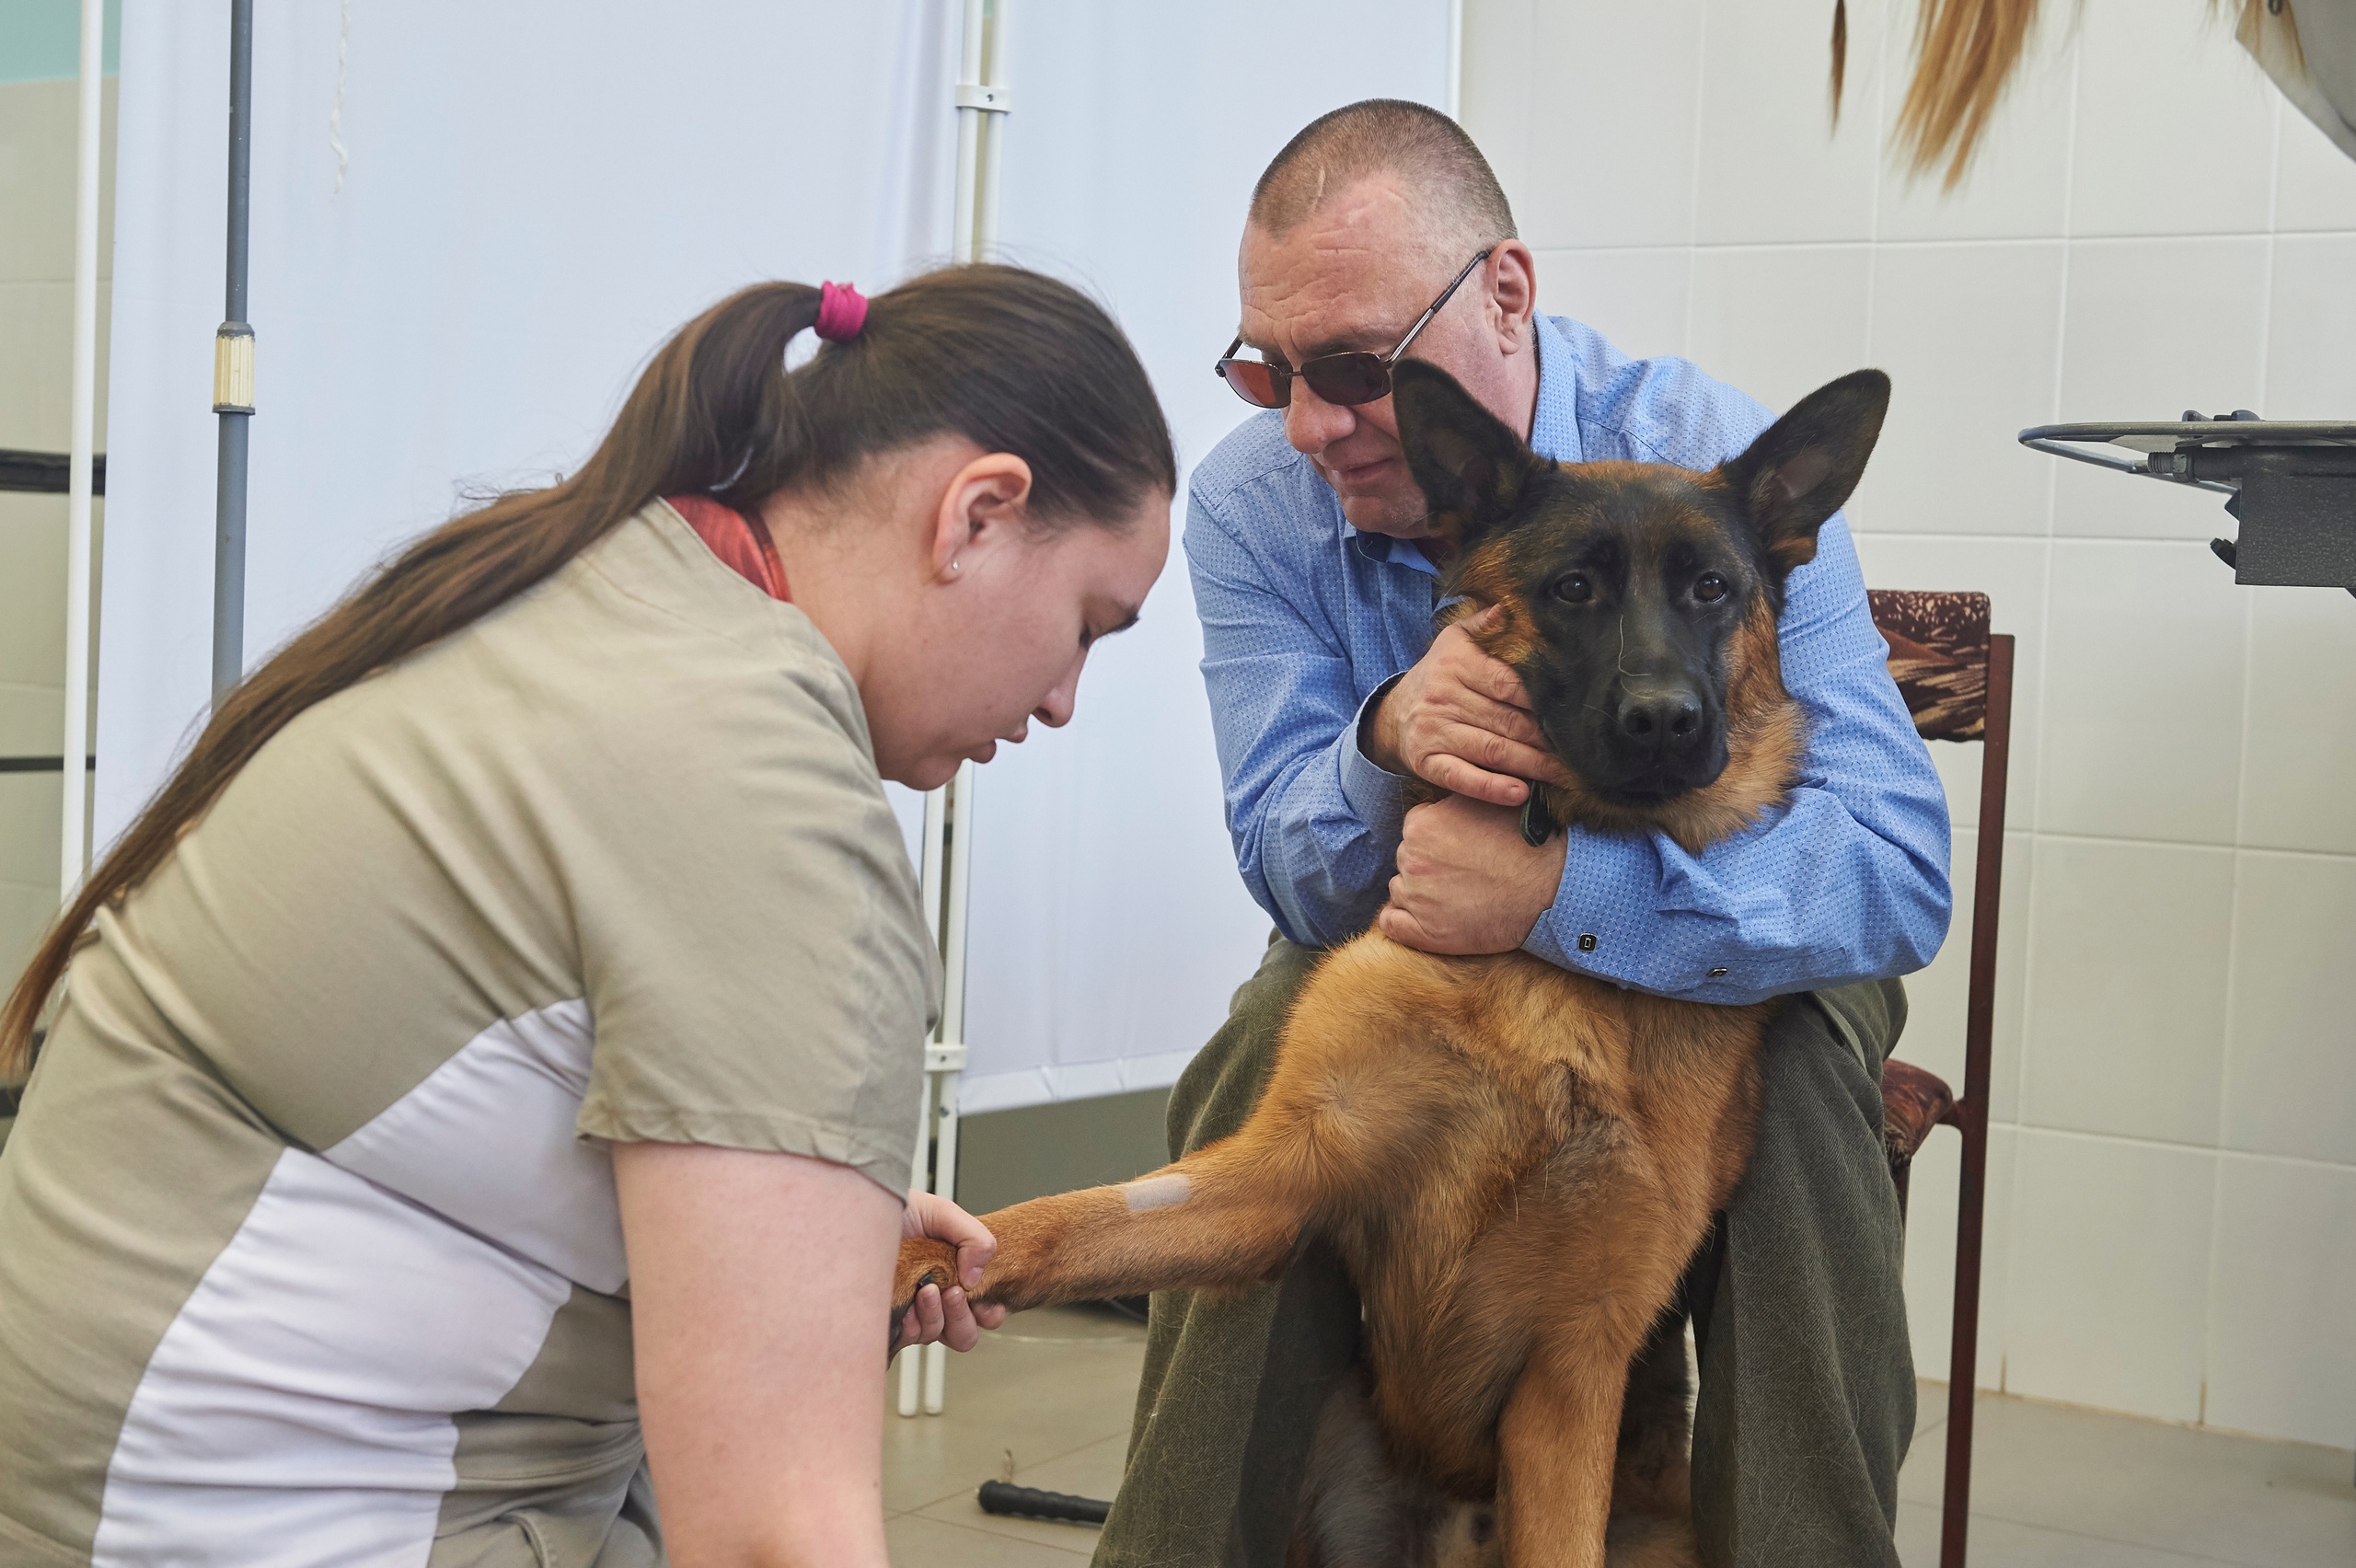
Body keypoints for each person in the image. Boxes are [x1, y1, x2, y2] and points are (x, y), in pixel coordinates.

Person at [0, 267, 1175, 1567]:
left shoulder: (602, 587)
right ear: (978, 514)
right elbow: (774, 1541)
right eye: (1087, 625)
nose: (1065, 698)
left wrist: (805, 1241)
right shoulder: (763, 786)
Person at [1094, 102, 1952, 1568]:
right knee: (1259, 1055)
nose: (1312, 424)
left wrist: (1565, 890)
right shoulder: (1259, 500)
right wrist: (1383, 742)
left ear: (1504, 292)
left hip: (1750, 925)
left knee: (1811, 1080)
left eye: (1359, 369)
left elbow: (1892, 871)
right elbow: (1293, 875)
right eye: (1268, 371)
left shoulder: (1710, 463)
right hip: (1424, 938)